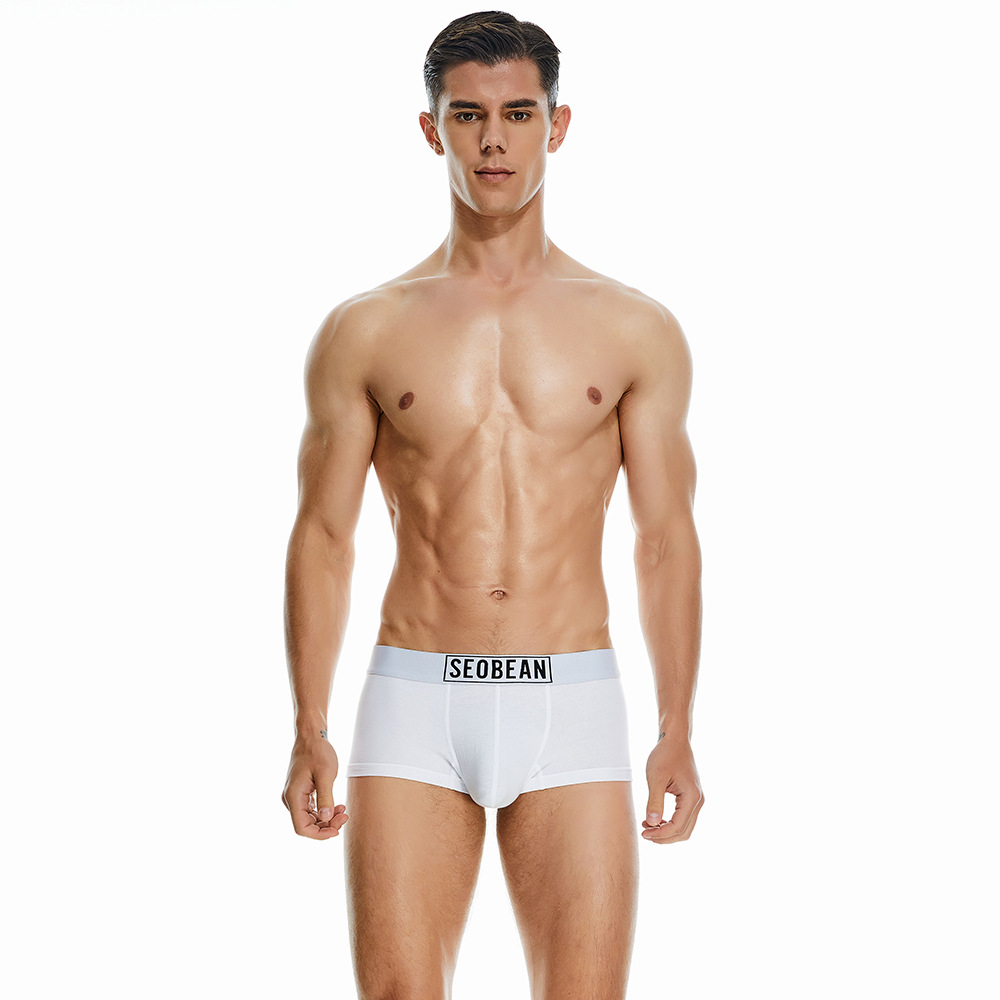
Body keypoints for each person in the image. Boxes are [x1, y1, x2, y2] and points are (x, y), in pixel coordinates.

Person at [281, 10, 704, 999]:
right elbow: (325, 536)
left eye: (518, 113)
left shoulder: (633, 328)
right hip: (415, 697)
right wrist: (308, 721)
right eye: (467, 116)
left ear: (558, 125)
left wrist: (676, 724)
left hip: (573, 695)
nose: (494, 140)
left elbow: (664, 540)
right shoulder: (364, 329)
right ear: (432, 131)